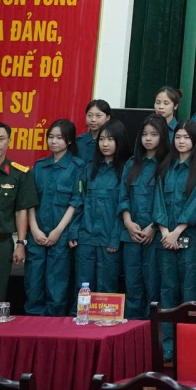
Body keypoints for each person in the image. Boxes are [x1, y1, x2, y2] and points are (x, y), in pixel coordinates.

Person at [155, 120, 196, 362]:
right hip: (166, 238)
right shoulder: (165, 166)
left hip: (190, 238)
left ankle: (187, 347)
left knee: (189, 292)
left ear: (195, 140)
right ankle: (167, 347)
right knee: (167, 291)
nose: (182, 141)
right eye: (178, 137)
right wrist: (165, 231)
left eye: (187, 137)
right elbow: (158, 201)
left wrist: (177, 231)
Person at [25, 119, 81, 315]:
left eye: (59, 137)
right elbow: (30, 201)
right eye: (50, 137)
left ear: (69, 141)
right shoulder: (39, 166)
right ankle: (32, 323)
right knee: (33, 284)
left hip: (61, 236)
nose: (54, 141)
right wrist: (34, 229)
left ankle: (54, 326)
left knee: (57, 286)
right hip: (37, 234)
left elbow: (75, 202)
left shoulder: (77, 166)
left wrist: (58, 231)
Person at [119, 115, 167, 317]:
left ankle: (151, 329)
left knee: (153, 286)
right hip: (131, 234)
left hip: (154, 236)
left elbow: (166, 202)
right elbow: (123, 196)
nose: (148, 138)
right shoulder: (131, 164)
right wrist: (128, 222)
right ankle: (133, 329)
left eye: (154, 134)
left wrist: (154, 227)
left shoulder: (167, 165)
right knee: (132, 285)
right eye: (145, 134)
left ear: (162, 137)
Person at [73, 120, 128, 294]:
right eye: (102, 139)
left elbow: (125, 207)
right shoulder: (89, 168)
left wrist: (115, 238)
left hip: (109, 240)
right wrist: (74, 231)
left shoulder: (126, 170)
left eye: (110, 139)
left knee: (107, 290)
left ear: (119, 141)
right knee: (83, 289)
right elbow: (79, 202)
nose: (105, 144)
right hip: (86, 238)